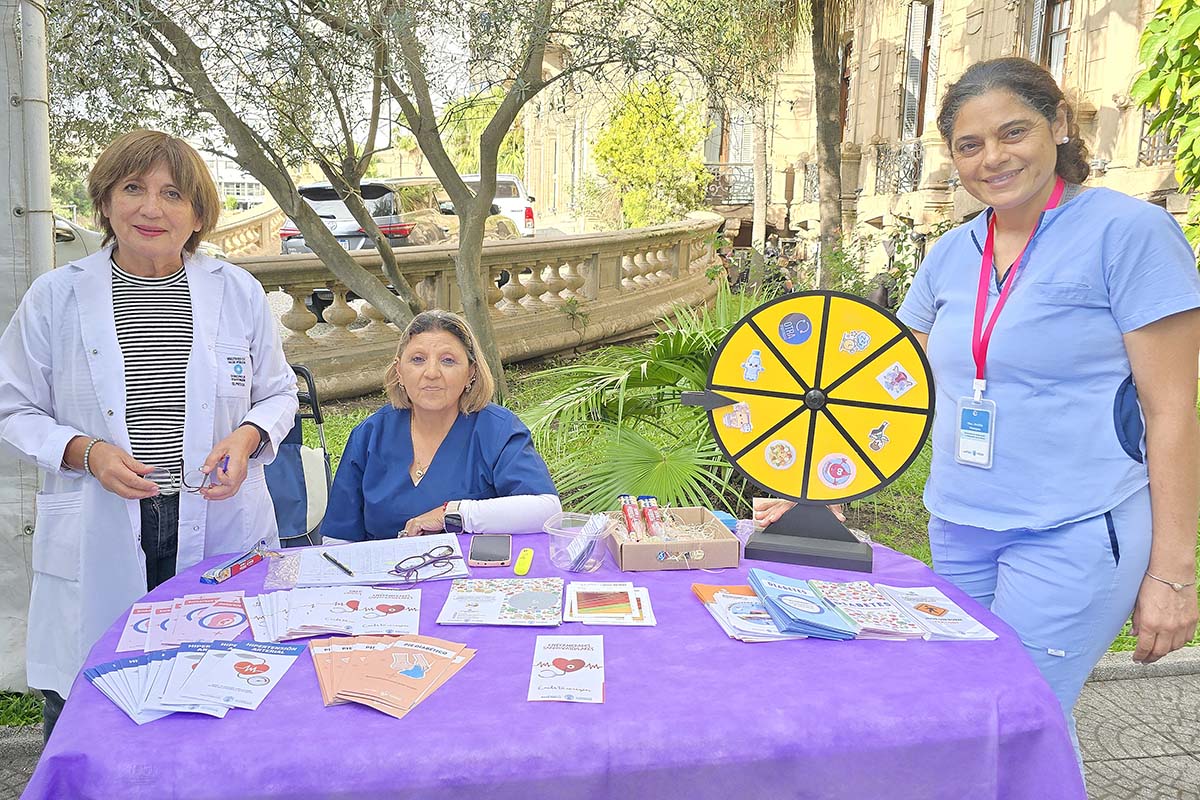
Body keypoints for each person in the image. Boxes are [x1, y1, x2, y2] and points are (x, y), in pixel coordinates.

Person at [758, 57, 1200, 753]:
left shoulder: (1129, 233)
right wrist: (819, 486)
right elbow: (879, 387)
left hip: (1074, 529)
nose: (992, 158)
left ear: (1059, 124)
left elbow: (1172, 412)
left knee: (1014, 726)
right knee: (966, 719)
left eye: (1013, 132)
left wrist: (1173, 575)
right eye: (970, 145)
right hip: (959, 525)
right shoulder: (951, 252)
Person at [0, 130, 298, 739]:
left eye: (173, 194)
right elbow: (13, 406)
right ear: (106, 203)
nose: (151, 208)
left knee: (218, 696)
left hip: (216, 521)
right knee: (94, 709)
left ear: (198, 215)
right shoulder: (56, 296)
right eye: (133, 188)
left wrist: (246, 438)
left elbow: (277, 393)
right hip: (101, 522)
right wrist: (85, 452)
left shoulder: (236, 291)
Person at [322, 310, 560, 540]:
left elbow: (546, 509)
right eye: (418, 359)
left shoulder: (497, 430)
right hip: (385, 567)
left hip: (471, 567)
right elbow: (337, 538)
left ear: (471, 373)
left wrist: (454, 514)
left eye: (448, 360)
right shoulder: (370, 435)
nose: (432, 372)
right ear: (399, 371)